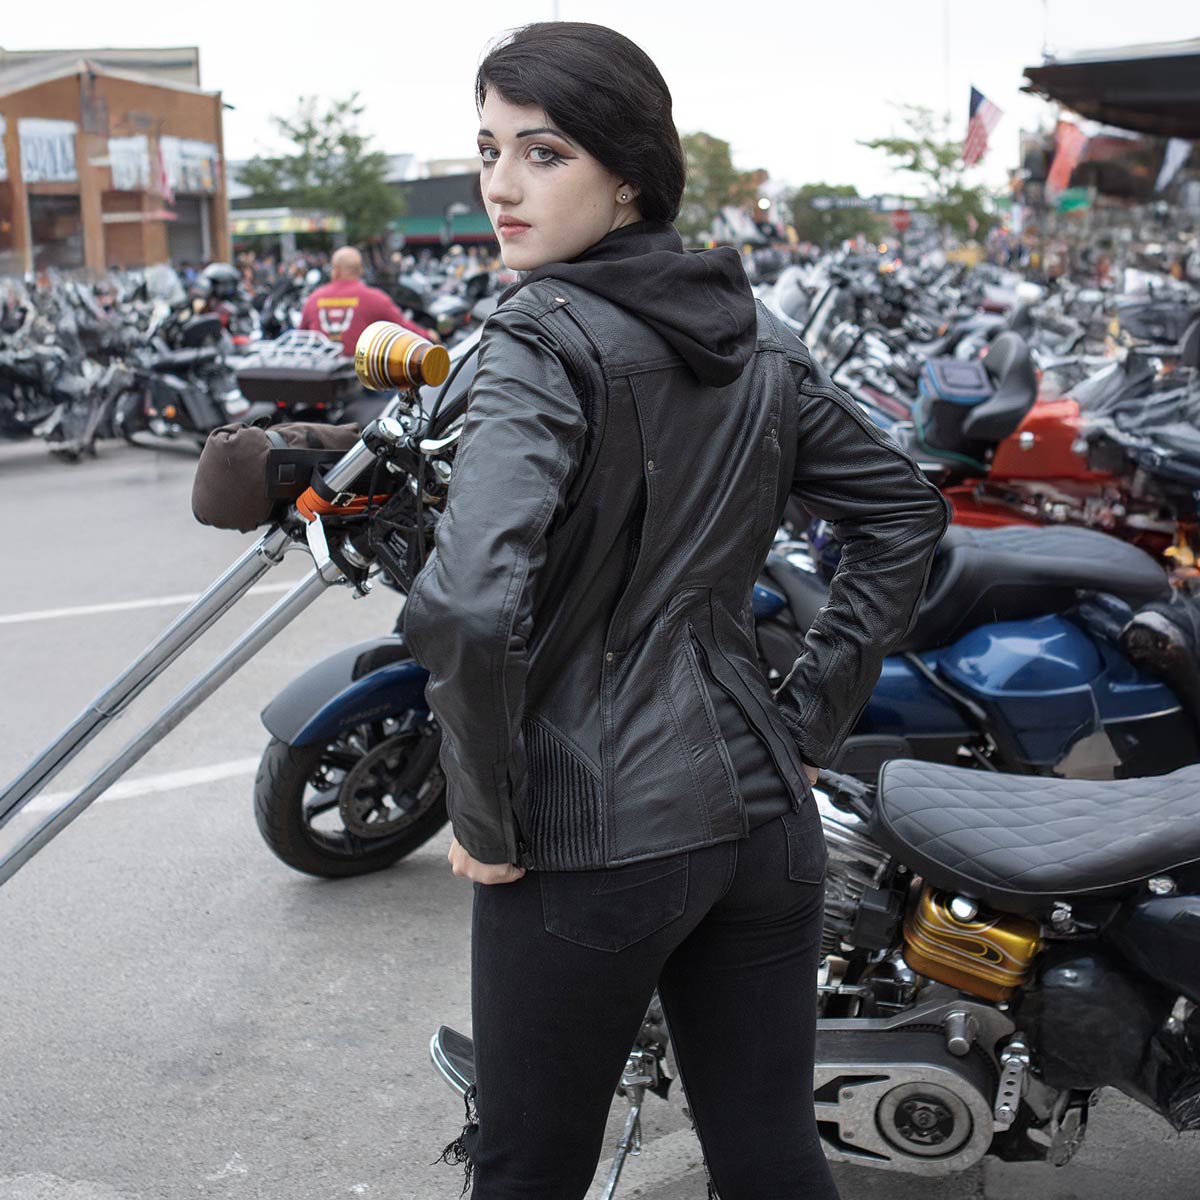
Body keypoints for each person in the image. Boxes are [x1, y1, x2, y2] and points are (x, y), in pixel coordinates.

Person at [401, 21, 949, 1200]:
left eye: (544, 152)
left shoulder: (537, 335)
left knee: (526, 1170)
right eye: (488, 149)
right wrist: (805, 724)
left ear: (631, 174)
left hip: (591, 840)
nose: (500, 185)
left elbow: (470, 604)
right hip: (765, 825)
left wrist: (488, 819)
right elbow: (905, 512)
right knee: (769, 1155)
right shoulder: (756, 332)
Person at [298, 245, 435, 355]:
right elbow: (402, 328)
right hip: (360, 373)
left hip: (321, 372)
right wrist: (427, 334)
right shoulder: (375, 298)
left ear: (335, 270)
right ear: (360, 270)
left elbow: (301, 336)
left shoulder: (314, 298)